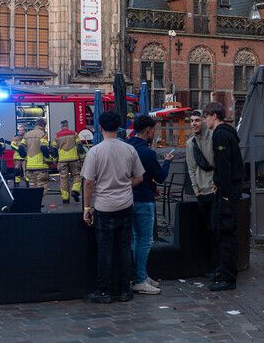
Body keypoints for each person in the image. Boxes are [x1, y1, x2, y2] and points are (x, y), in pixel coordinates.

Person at [82, 111, 145, 304]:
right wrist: (125, 186)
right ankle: (125, 290)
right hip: (126, 205)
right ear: (119, 128)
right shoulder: (129, 150)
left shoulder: (95, 151)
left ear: (100, 128)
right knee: (125, 249)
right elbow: (140, 177)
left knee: (105, 250)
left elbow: (89, 183)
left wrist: (86, 208)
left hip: (104, 207)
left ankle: (104, 291)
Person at [127, 115, 174, 295]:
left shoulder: (127, 147)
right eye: (153, 130)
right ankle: (139, 279)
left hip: (127, 199)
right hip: (144, 200)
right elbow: (160, 176)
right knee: (145, 240)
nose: (154, 133)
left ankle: (140, 274)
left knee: (134, 239)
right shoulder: (148, 153)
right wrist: (168, 162)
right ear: (148, 130)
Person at [202, 102, 245, 292]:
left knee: (226, 233)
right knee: (225, 232)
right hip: (229, 190)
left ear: (213, 116)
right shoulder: (228, 133)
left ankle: (227, 277)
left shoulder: (219, 135)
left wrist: (225, 192)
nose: (204, 121)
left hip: (227, 193)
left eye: (205, 116)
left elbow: (224, 165)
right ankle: (224, 271)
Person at [185, 110, 217, 277]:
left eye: (197, 120)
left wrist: (216, 184)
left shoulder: (213, 137)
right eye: (191, 121)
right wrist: (196, 190)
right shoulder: (190, 143)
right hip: (202, 193)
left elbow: (218, 164)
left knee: (216, 230)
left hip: (214, 190)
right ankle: (210, 266)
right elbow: (191, 168)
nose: (194, 123)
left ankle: (217, 265)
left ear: (204, 121)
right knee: (207, 230)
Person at [53, 120, 83, 204]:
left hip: (62, 160)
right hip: (74, 159)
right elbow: (80, 147)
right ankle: (75, 190)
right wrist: (82, 158)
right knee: (77, 175)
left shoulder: (57, 135)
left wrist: (55, 160)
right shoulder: (74, 133)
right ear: (67, 125)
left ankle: (65, 199)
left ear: (61, 126)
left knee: (63, 179)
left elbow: (54, 149)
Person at [24, 118, 51, 192]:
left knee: (32, 187)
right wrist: (48, 158)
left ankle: (34, 203)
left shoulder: (27, 134)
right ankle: (39, 203)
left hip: (29, 166)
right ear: (43, 125)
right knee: (42, 187)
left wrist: (26, 158)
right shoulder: (43, 134)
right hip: (41, 166)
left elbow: (20, 148)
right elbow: (44, 147)